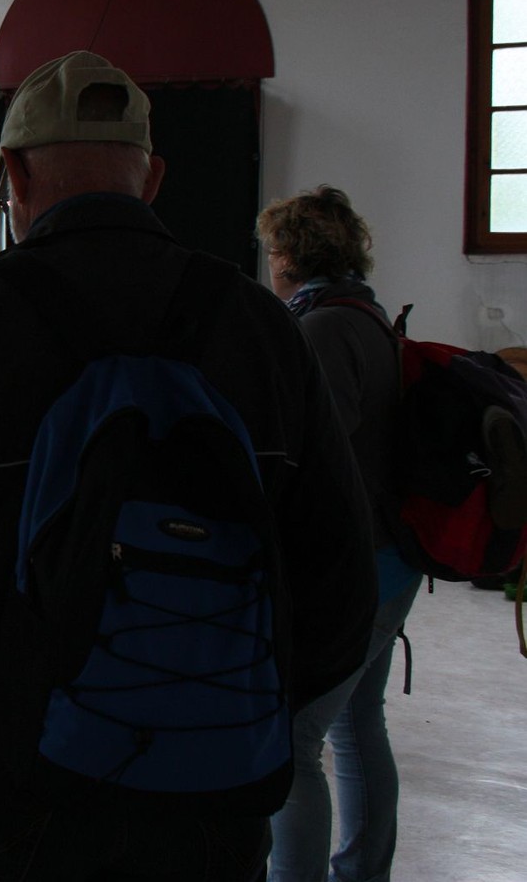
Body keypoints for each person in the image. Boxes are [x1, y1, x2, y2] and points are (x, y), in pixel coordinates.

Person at [0, 51, 378, 882]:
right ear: (151, 179)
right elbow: (339, 593)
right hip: (204, 803)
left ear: (10, 172)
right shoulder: (261, 330)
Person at [259, 186, 421, 882]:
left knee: (292, 740)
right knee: (357, 725)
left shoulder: (321, 329)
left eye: (270, 250)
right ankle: (361, 871)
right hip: (391, 560)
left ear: (289, 254)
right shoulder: (367, 315)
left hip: (354, 569)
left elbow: (308, 456)